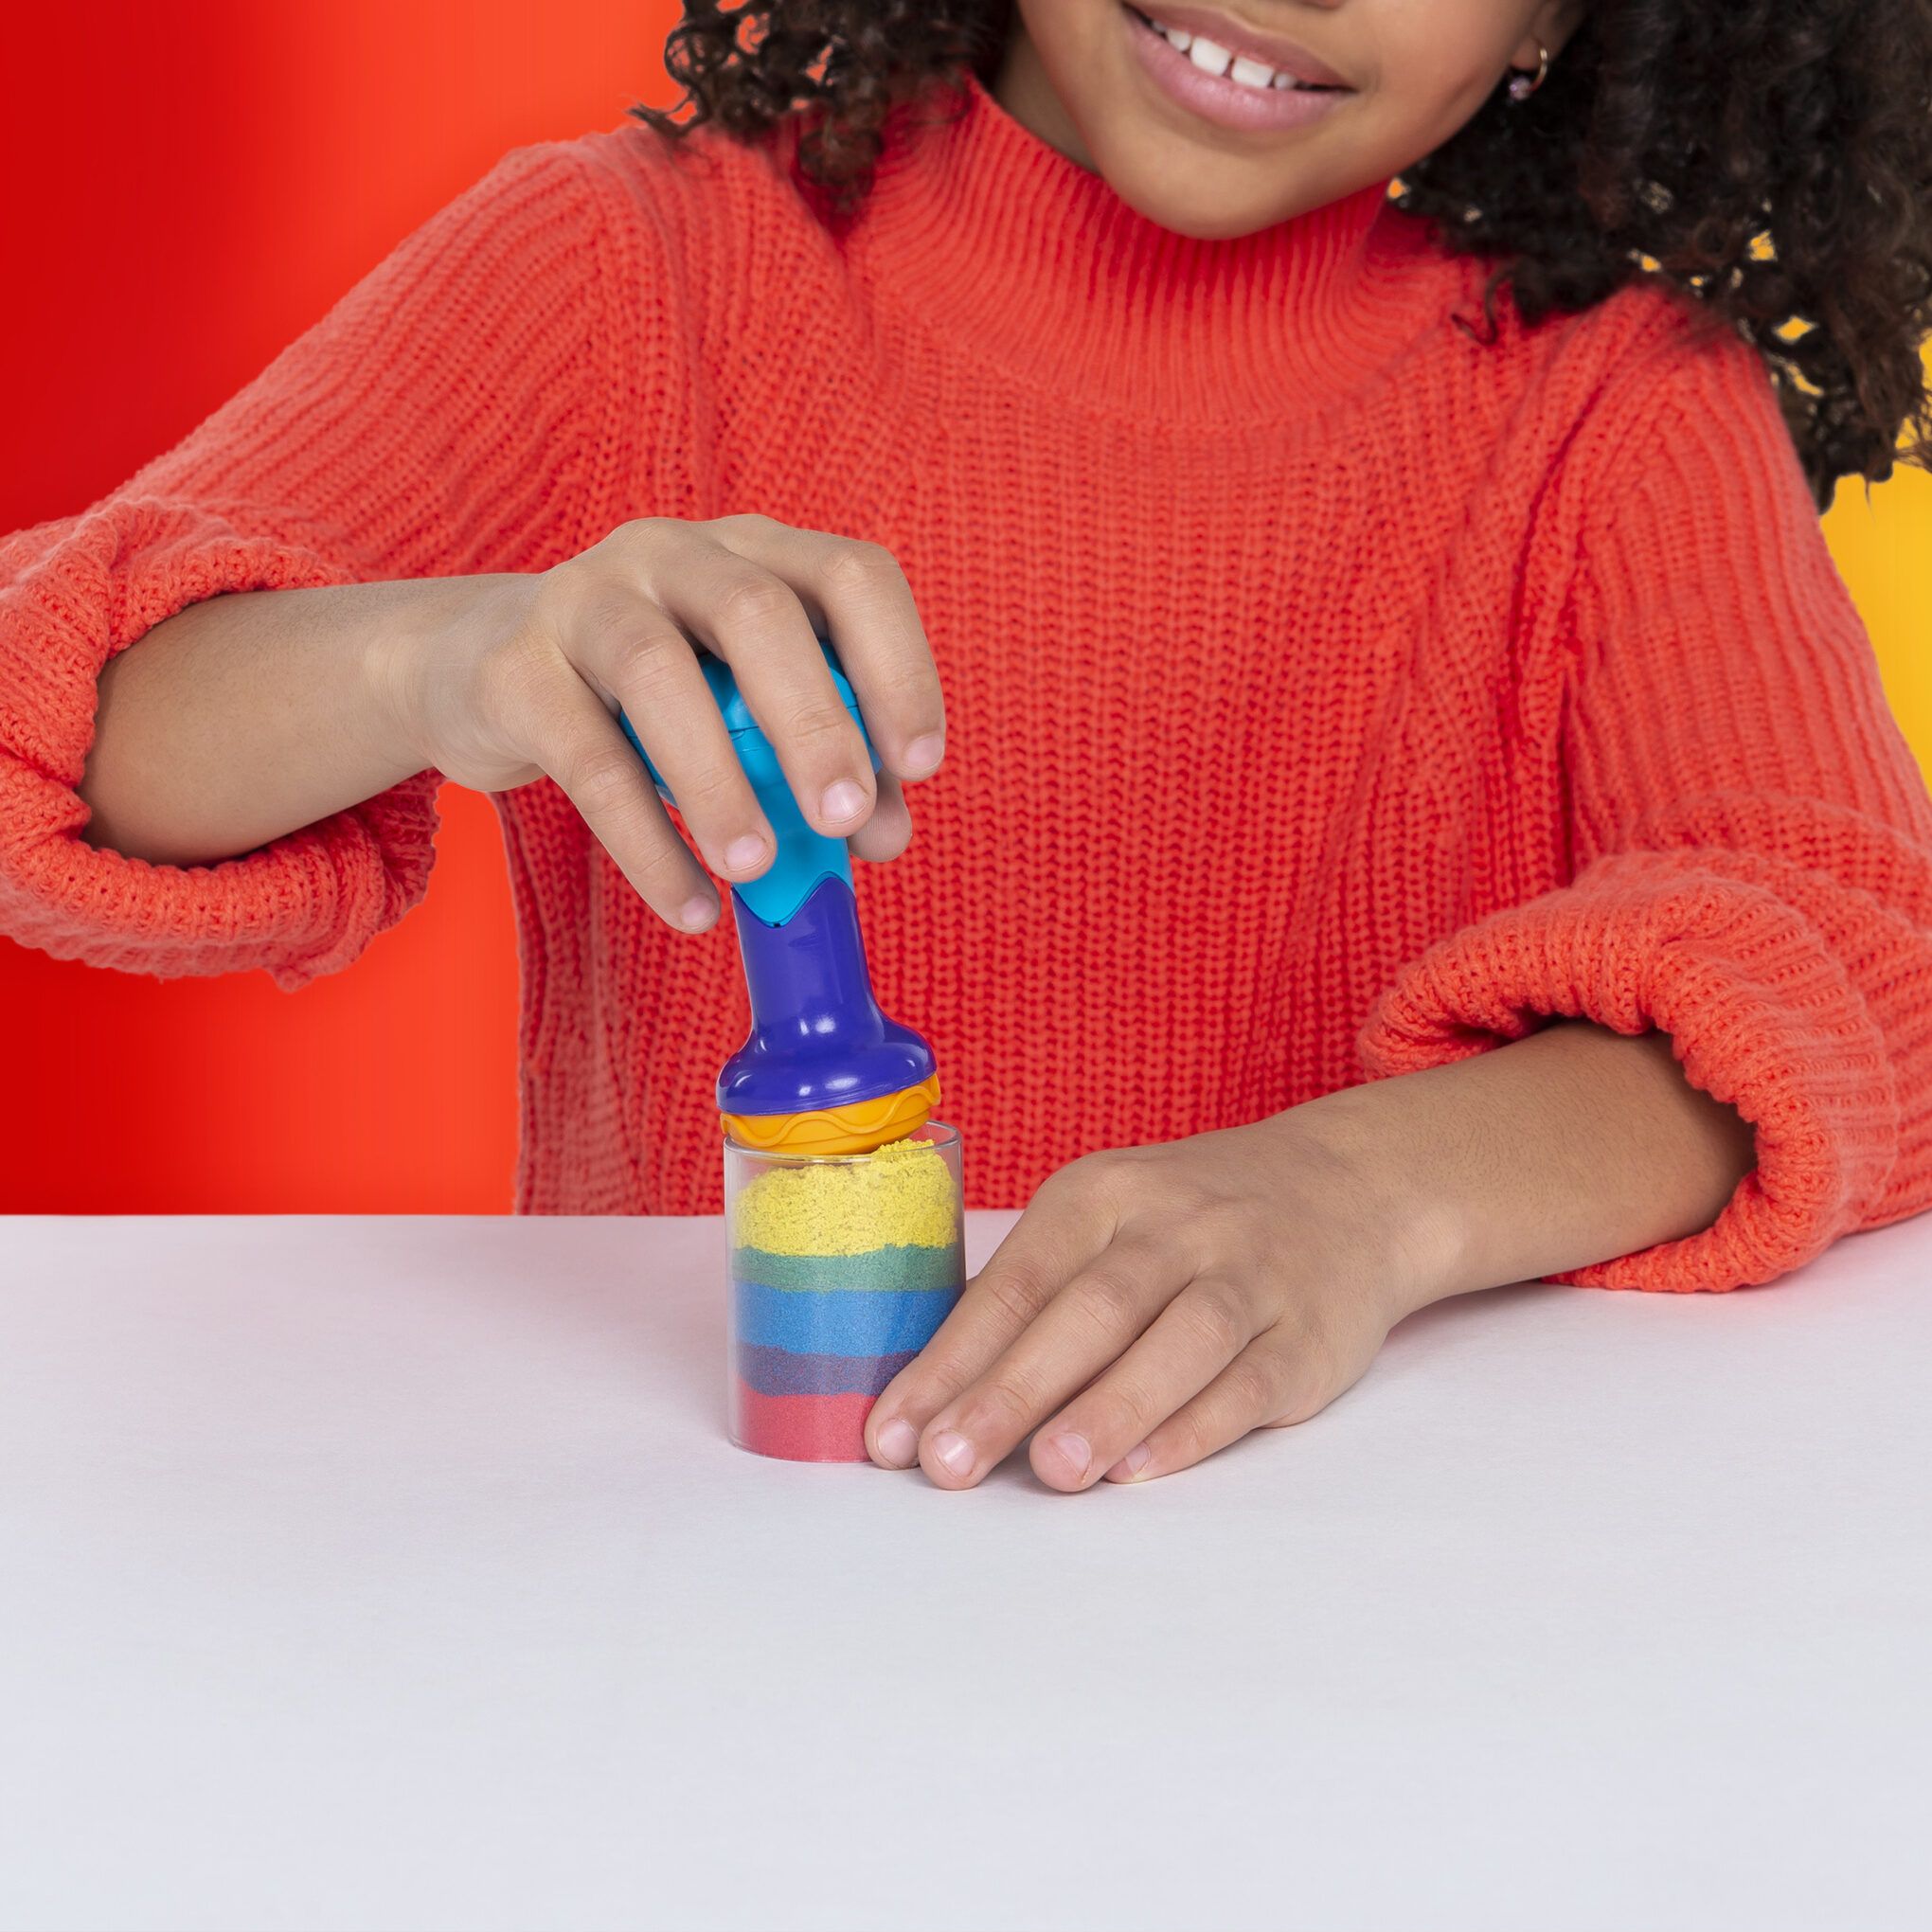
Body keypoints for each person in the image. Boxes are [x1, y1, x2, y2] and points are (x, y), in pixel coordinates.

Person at [4, 1, 1929, 1492]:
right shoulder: (636, 275)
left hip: (1360, 1588)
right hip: (704, 1596)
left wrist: (1357, 1200)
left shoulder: (1619, 413)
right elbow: (52, 734)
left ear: (1569, 23)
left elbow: (1854, 955)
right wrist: (450, 655)